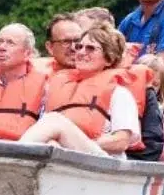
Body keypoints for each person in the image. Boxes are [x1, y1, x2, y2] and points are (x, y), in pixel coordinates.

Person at [19, 24, 140, 157]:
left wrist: (70, 143)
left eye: (90, 48)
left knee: (54, 120)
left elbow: (121, 141)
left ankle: (14, 155)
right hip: (64, 156)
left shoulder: (119, 93)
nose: (81, 52)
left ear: (109, 59)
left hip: (101, 161)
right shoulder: (54, 87)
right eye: (79, 47)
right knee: (51, 138)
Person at [0, 23, 48, 140]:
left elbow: (45, 135)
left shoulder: (44, 90)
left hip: (20, 154)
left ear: (27, 54)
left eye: (10, 43)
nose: (2, 47)